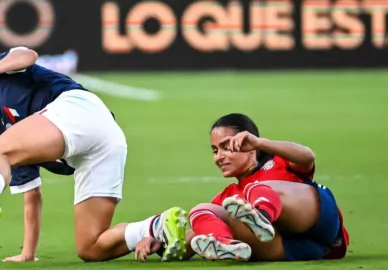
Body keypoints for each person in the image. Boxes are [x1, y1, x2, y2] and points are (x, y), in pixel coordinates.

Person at [0, 46, 187, 263]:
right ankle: (159, 225)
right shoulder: (2, 129)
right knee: (90, 247)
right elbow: (31, 193)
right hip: (102, 145)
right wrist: (28, 253)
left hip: (78, 110)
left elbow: (27, 54)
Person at [135, 113, 349, 263]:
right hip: (291, 247)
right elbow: (194, 239)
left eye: (226, 147)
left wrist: (261, 143)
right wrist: (161, 243)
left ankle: (261, 216)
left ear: (248, 147)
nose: (219, 157)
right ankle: (226, 245)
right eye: (214, 150)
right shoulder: (228, 197)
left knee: (254, 191)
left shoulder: (278, 161)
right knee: (202, 210)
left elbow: (308, 156)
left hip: (321, 221)